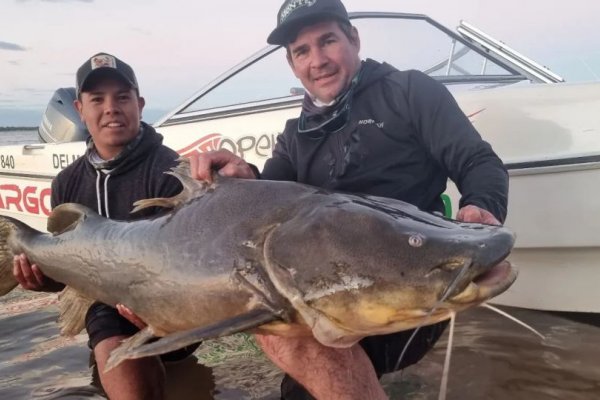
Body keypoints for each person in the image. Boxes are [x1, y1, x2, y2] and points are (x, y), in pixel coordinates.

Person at [188, 0, 509, 398]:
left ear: (353, 39)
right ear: (292, 65)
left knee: (300, 359)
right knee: (285, 357)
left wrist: (483, 205)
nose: (317, 60)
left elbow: (478, 161)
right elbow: (270, 208)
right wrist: (245, 177)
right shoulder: (295, 136)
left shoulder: (409, 92)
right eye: (302, 51)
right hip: (326, 289)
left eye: (328, 41)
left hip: (406, 282)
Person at [12, 52, 198, 400]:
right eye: (97, 99)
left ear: (140, 105)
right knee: (108, 329)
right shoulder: (66, 183)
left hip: (173, 310)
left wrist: (163, 312)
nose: (111, 107)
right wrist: (39, 278)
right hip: (106, 312)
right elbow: (68, 277)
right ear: (80, 110)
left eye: (122, 97)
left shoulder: (172, 171)